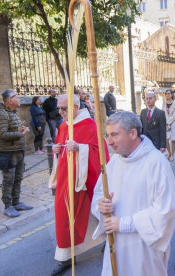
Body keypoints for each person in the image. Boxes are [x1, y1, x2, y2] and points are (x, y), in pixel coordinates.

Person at [91, 111, 175, 276]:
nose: (109, 142)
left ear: (132, 133)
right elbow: (98, 194)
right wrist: (101, 205)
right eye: (108, 135)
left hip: (144, 248)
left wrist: (124, 224)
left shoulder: (156, 162)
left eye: (114, 135)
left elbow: (166, 210)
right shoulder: (114, 162)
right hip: (116, 244)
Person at [48, 94, 109, 276]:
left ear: (75, 107)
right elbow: (60, 145)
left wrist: (81, 148)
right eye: (59, 108)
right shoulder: (63, 125)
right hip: (67, 179)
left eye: (64, 109)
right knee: (63, 213)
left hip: (84, 179)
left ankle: (107, 238)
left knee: (97, 210)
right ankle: (66, 255)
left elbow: (101, 153)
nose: (60, 112)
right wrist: (56, 150)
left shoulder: (90, 126)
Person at [0, 89, 32, 218]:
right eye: (17, 97)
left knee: (18, 178)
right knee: (8, 180)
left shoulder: (12, 112)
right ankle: (8, 206)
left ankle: (16, 202)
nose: (19, 99)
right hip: (8, 153)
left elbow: (10, 129)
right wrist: (21, 133)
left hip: (18, 151)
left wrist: (19, 129)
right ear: (10, 100)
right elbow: (2, 135)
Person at [162, 89, 175, 161]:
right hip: (165, 123)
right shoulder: (164, 103)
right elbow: (162, 113)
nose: (167, 95)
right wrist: (164, 122)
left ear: (172, 94)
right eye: (166, 93)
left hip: (173, 123)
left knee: (173, 139)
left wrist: (168, 122)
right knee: (166, 139)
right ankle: (169, 153)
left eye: (168, 93)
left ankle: (172, 154)